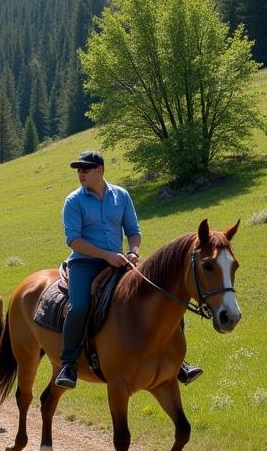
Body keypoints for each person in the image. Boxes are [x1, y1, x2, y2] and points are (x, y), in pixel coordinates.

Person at [55, 150, 202, 388]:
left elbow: (133, 231)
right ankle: (68, 364)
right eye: (78, 170)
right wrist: (107, 256)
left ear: (100, 170)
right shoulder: (74, 201)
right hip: (84, 262)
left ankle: (179, 361)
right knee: (79, 306)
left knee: (163, 295)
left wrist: (133, 251)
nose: (80, 173)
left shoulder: (121, 196)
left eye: (85, 169)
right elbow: (73, 240)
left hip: (122, 260)